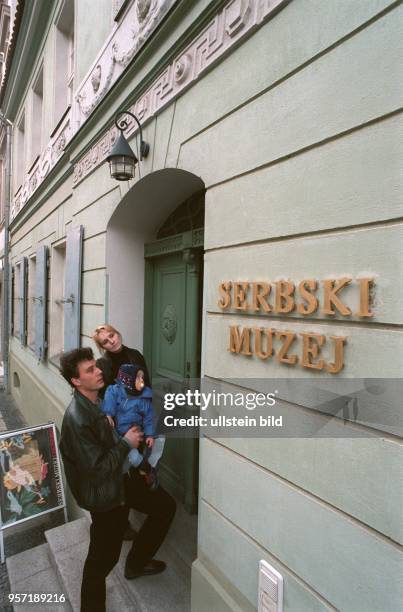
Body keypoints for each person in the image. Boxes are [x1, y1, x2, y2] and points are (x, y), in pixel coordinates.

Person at [59, 347, 176, 612]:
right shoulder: (77, 419)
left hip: (123, 478)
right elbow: (98, 469)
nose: (99, 370)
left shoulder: (101, 399)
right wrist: (126, 443)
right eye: (90, 370)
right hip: (105, 494)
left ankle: (136, 563)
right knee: (102, 559)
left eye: (96, 365)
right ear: (76, 381)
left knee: (164, 507)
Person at [102, 363, 165, 489]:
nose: (142, 380)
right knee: (131, 455)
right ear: (128, 381)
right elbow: (109, 399)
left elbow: (148, 418)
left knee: (146, 448)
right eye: (138, 378)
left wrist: (150, 435)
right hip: (119, 434)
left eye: (142, 377)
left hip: (136, 432)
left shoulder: (143, 399)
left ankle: (148, 468)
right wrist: (108, 414)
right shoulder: (115, 391)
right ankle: (145, 470)